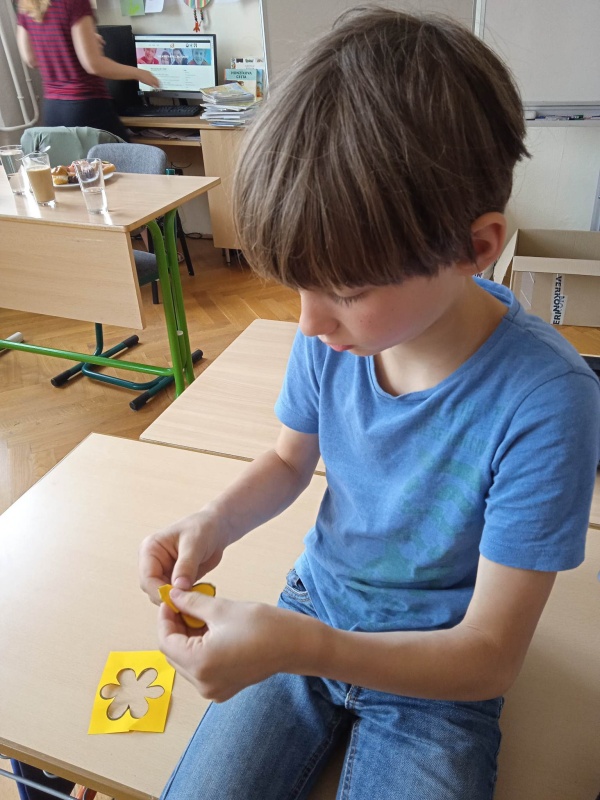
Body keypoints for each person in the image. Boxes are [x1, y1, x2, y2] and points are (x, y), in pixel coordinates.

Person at [138, 8, 600, 800]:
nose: (310, 324)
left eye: (346, 291)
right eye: (300, 288)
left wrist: (305, 648)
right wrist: (214, 521)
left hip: (439, 671)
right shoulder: (334, 336)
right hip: (312, 605)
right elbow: (290, 459)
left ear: (476, 248)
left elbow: (490, 656)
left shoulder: (548, 402)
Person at [16, 0, 160, 140]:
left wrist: (79, 42)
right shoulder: (74, 2)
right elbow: (93, 64)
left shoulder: (28, 4)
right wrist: (139, 73)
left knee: (68, 158)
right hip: (85, 105)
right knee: (126, 155)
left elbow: (31, 59)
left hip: (53, 108)